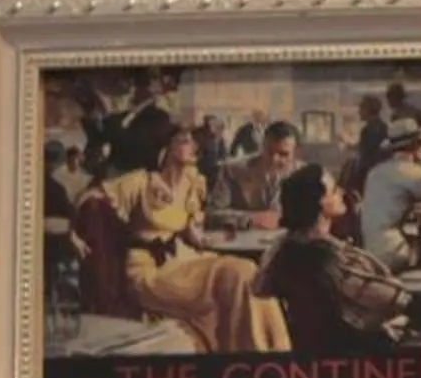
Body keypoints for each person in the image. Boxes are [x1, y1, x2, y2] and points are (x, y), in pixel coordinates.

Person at [98, 112, 285, 352]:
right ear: (166, 147)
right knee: (236, 275)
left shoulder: (192, 182)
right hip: (149, 271)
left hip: (182, 258)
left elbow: (191, 233)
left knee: (248, 272)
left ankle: (274, 351)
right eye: (185, 141)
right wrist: (74, 235)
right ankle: (256, 353)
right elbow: (91, 201)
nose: (194, 146)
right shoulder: (140, 182)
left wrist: (206, 239)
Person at [253, 163, 410, 348]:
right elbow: (394, 299)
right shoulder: (329, 259)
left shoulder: (281, 250)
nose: (342, 193)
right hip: (352, 352)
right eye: (335, 190)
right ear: (320, 202)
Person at [357, 114, 421, 270]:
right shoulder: (419, 174)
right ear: (417, 146)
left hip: (371, 252)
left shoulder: (374, 172)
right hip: (396, 253)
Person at [221, 120, 298, 215]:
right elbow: (213, 212)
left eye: (283, 154)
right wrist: (252, 220)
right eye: (269, 152)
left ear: (296, 153)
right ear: (262, 147)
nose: (274, 159)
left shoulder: (307, 177)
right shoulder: (232, 171)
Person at [349, 90, 389, 186]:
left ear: (368, 110)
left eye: (361, 108)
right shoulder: (384, 127)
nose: (359, 111)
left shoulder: (368, 130)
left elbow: (366, 155)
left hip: (369, 174)